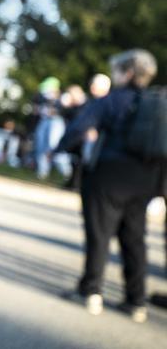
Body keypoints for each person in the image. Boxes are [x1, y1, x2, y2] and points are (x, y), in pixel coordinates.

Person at [60, 50, 163, 323]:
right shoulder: (155, 104)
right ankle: (136, 300)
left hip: (108, 176)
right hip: (145, 179)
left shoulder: (111, 101)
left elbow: (78, 129)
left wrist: (63, 148)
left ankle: (91, 291)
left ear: (127, 72)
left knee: (99, 233)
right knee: (135, 238)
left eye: (116, 70)